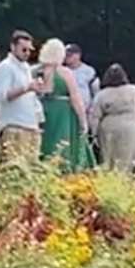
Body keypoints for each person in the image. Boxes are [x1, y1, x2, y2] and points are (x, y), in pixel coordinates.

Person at [37, 37, 92, 172]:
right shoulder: (65, 72)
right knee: (62, 142)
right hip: (63, 112)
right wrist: (83, 121)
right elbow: (75, 97)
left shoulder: (37, 71)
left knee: (46, 141)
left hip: (44, 110)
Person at [87, 63, 135, 171]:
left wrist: (94, 134)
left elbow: (95, 116)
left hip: (109, 127)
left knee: (110, 157)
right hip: (132, 126)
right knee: (130, 155)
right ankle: (129, 178)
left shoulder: (101, 94)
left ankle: (112, 178)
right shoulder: (134, 90)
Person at [0, 31, 44, 152]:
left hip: (30, 124)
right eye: (23, 50)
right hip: (14, 125)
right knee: (14, 166)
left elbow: (29, 94)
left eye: (29, 50)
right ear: (13, 47)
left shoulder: (26, 67)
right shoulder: (6, 66)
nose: (27, 53)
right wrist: (27, 88)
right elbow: (1, 96)